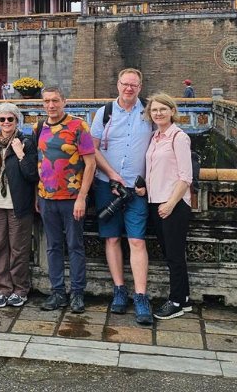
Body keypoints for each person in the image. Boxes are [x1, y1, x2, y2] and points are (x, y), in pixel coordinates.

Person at [90, 68, 155, 325]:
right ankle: (119, 289)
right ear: (118, 85)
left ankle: (141, 296)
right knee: (112, 238)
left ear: (140, 87)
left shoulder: (149, 112)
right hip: (107, 185)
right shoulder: (104, 113)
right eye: (125, 84)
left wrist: (148, 181)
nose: (129, 88)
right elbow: (92, 149)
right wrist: (112, 174)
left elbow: (160, 145)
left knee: (137, 240)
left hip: (137, 189)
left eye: (134, 85)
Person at [36, 85, 96, 313]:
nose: (51, 105)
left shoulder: (78, 126)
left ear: (64, 102)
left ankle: (78, 293)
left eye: (55, 100)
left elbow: (90, 164)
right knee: (52, 246)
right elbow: (39, 162)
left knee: (75, 245)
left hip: (72, 198)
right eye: (47, 101)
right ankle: (58, 292)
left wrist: (82, 197)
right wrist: (37, 195)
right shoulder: (39, 127)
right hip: (46, 197)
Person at [138, 93, 193, 320]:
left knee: (174, 255)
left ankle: (176, 301)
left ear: (172, 111)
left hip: (173, 204)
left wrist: (170, 204)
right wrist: (145, 189)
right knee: (170, 253)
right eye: (154, 110)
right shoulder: (155, 137)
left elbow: (186, 177)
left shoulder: (178, 137)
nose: (158, 113)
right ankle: (185, 298)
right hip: (155, 202)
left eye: (162, 109)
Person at [0, 103, 38, 308]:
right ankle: (3, 288)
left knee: (18, 248)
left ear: (17, 121)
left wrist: (20, 153)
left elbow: (32, 174)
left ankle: (20, 289)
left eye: (10, 119)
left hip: (18, 204)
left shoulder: (26, 142)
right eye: (2, 119)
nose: (6, 122)